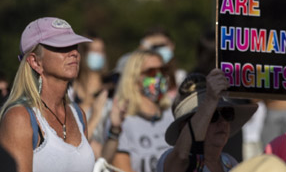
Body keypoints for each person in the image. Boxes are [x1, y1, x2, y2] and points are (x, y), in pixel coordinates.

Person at [0, 17, 95, 172]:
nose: (73, 53)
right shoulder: (19, 118)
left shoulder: (78, 114)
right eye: (62, 46)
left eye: (74, 45)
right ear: (35, 62)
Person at [158, 69, 259, 172]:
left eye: (227, 114)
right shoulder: (169, 159)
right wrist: (210, 100)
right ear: (184, 126)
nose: (223, 121)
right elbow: (181, 156)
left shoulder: (229, 162)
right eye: (212, 116)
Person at [104, 50, 174, 172]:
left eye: (162, 70)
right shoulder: (122, 120)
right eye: (151, 72)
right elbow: (122, 168)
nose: (159, 76)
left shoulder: (173, 115)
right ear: (134, 77)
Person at [71, 34, 110, 156]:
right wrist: (95, 114)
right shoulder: (69, 90)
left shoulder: (111, 88)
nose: (99, 55)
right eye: (94, 50)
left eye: (101, 50)